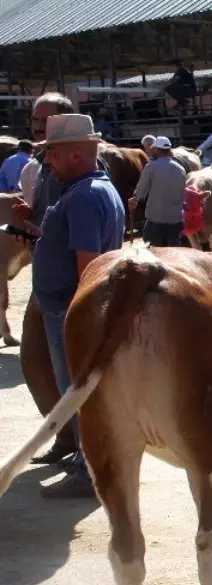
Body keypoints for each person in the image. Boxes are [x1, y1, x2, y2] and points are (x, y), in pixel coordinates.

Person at [11, 114, 125, 498]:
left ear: (74, 154)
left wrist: (79, 316)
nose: (47, 162)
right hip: (68, 307)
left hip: (69, 309)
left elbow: (89, 264)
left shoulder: (82, 197)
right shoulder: (93, 190)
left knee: (77, 391)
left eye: (53, 154)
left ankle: (88, 469)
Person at [129, 136, 187, 247]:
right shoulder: (181, 169)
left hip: (155, 221)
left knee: (154, 254)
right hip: (176, 221)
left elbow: (141, 192)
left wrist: (135, 199)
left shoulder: (151, 167)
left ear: (156, 149)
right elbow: (183, 193)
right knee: (173, 255)